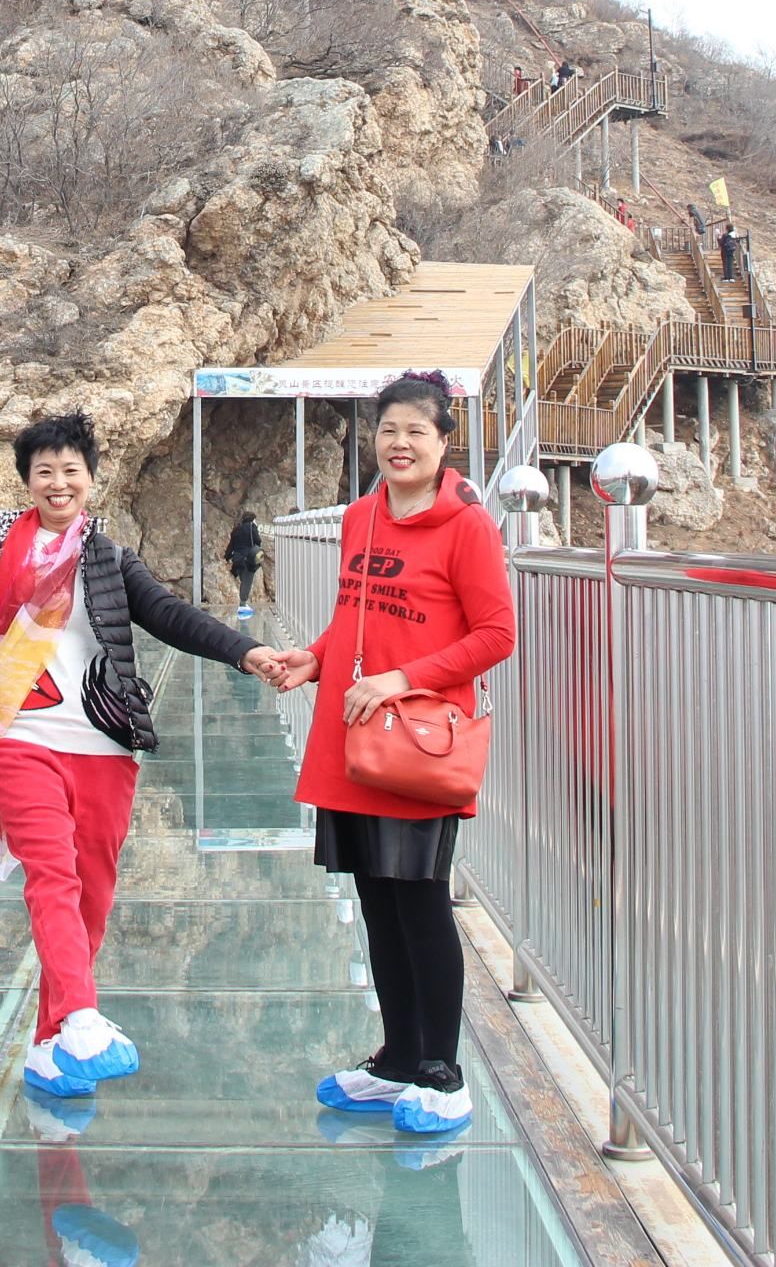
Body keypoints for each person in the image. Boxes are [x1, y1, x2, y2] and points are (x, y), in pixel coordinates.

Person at [0, 412, 298, 1102]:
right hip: (16, 738)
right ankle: (82, 1017)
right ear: (27, 481)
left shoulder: (107, 558)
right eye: (45, 471)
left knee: (92, 894)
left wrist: (244, 652)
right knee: (52, 875)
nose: (58, 482)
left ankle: (51, 1044)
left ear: (91, 481)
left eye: (71, 471)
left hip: (99, 745)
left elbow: (166, 615)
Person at [280, 372, 516, 1138]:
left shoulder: (467, 526)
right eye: (388, 429)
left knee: (419, 900)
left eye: (417, 430)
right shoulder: (360, 518)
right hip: (353, 741)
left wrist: (402, 679)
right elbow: (353, 619)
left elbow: (495, 635)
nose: (400, 443)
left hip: (415, 741)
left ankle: (443, 1073)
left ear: (444, 441)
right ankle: (399, 1059)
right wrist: (315, 659)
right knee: (377, 903)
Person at [227, 511, 265, 617]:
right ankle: (243, 604)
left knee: (243, 580)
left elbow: (231, 545)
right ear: (253, 520)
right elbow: (258, 541)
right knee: (247, 582)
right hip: (248, 558)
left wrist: (227, 556)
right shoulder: (252, 528)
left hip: (237, 559)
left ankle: (243, 603)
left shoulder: (236, 529)